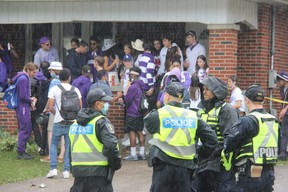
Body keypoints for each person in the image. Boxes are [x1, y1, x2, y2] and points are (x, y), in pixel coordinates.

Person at [144, 82, 218, 192]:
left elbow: (149, 129)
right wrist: (199, 152)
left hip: (163, 166)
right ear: (182, 98)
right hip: (185, 168)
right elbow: (212, 139)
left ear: (167, 96)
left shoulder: (157, 115)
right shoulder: (193, 116)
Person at [224, 85, 278, 192]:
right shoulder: (273, 120)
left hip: (250, 173)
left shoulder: (248, 121)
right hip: (269, 172)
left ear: (247, 101)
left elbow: (229, 144)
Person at [69, 88, 122, 192]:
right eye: (105, 102)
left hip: (79, 171)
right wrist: (116, 163)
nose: (107, 105)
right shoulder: (101, 122)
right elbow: (111, 145)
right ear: (97, 104)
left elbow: (71, 148)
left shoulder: (75, 123)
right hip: (99, 172)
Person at [196, 76, 238, 192]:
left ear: (216, 91)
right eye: (202, 89)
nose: (204, 92)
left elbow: (230, 138)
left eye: (207, 89)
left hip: (220, 164)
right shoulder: (201, 108)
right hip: (202, 161)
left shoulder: (227, 110)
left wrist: (214, 152)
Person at [46, 68, 82, 179]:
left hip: (58, 121)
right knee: (68, 145)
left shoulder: (54, 89)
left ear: (59, 77)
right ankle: (66, 170)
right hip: (72, 121)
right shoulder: (75, 89)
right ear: (69, 77)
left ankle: (53, 169)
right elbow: (80, 106)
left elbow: (50, 106)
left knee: (53, 144)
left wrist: (56, 113)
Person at [40, 61, 66, 163]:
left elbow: (50, 97)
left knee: (50, 132)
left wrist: (46, 108)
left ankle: (51, 155)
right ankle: (61, 155)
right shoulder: (65, 81)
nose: (50, 72)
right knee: (64, 133)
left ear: (54, 70)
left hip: (54, 109)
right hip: (64, 110)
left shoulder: (54, 81)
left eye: (51, 70)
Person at [13, 62, 38, 160]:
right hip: (22, 106)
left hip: (22, 106)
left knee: (25, 127)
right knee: (25, 128)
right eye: (33, 72)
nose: (34, 74)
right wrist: (31, 99)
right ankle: (21, 151)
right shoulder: (23, 79)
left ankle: (22, 150)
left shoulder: (21, 77)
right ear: (27, 70)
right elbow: (23, 96)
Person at [123, 66, 147, 161]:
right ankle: (142, 153)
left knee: (132, 132)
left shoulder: (133, 86)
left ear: (133, 75)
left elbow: (127, 100)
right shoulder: (141, 85)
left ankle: (133, 154)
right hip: (140, 112)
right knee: (140, 132)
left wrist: (125, 94)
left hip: (132, 113)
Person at [138, 41, 156, 111]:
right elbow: (149, 73)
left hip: (142, 85)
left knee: (143, 106)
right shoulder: (150, 58)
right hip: (148, 86)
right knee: (150, 108)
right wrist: (151, 86)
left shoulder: (141, 57)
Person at [277, 70, 288, 160]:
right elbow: (284, 102)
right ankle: (283, 153)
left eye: (280, 79)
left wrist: (285, 110)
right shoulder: (281, 89)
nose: (278, 81)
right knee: (284, 133)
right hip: (286, 114)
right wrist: (282, 113)